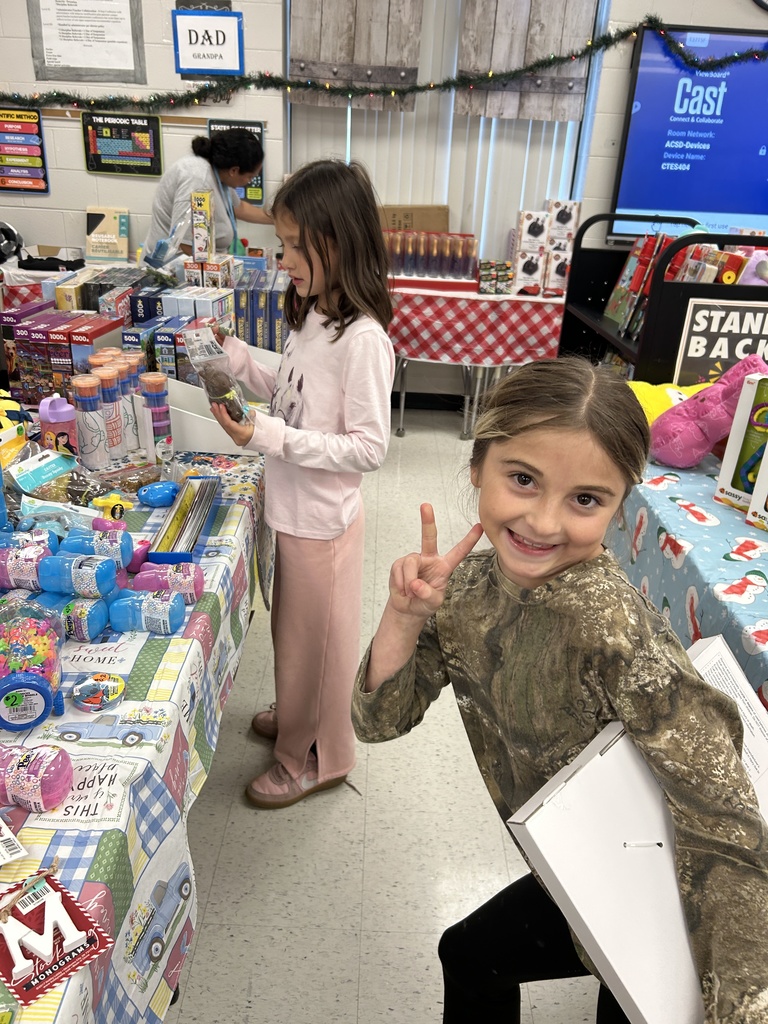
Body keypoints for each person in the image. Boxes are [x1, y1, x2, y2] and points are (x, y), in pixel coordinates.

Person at [351, 357, 768, 1024]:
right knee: (482, 957)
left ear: (617, 504)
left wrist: (740, 1007)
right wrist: (404, 615)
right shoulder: (464, 590)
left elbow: (726, 821)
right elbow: (380, 721)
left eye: (584, 499)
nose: (543, 523)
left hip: (661, 883)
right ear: (476, 468)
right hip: (579, 866)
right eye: (522, 479)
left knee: (498, 961)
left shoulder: (615, 635)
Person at [210, 158, 396, 809]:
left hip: (322, 521)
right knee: (293, 638)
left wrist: (266, 436)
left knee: (316, 647)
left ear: (338, 244)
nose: (281, 257)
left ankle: (313, 757)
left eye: (294, 245)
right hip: (294, 511)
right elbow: (291, 391)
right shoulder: (315, 315)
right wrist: (239, 360)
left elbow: (368, 448)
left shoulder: (364, 340)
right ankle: (297, 714)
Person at [143, 128, 272, 259]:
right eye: (250, 177)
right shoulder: (198, 180)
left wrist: (279, 220)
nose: (249, 182)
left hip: (202, 263)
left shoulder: (221, 173)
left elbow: (239, 208)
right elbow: (185, 243)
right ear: (234, 170)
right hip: (173, 268)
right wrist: (224, 266)